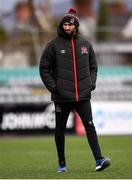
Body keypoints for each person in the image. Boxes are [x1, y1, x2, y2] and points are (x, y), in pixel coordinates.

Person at [39, 8, 111, 173]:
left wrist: (91, 83)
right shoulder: (53, 45)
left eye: (70, 24)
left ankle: (99, 160)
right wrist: (55, 88)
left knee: (90, 126)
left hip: (83, 96)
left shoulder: (86, 44)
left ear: (76, 26)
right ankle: (62, 164)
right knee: (60, 131)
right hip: (61, 98)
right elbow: (44, 69)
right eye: (64, 24)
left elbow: (93, 66)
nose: (67, 27)